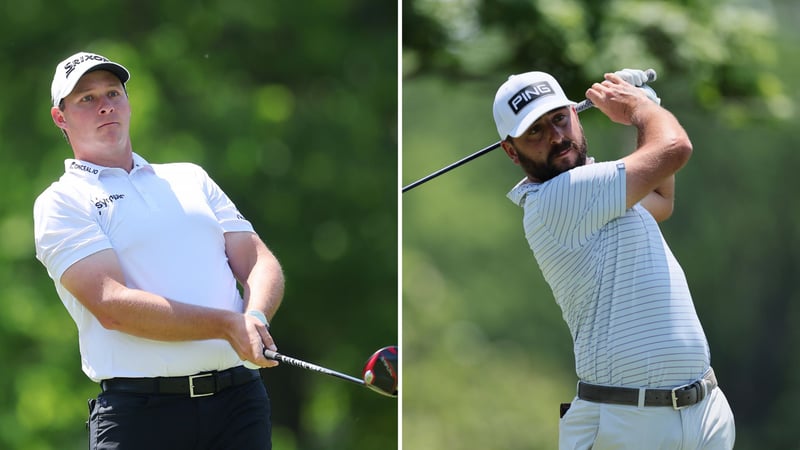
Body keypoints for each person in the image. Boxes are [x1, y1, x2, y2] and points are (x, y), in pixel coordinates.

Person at [34, 51, 284, 449]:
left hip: (240, 404)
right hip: (141, 414)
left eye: (113, 93)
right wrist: (225, 324)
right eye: (86, 99)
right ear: (59, 118)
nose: (105, 106)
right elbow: (113, 306)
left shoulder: (190, 177)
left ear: (128, 102)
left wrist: (253, 316)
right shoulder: (62, 201)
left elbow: (257, 259)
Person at [493, 69, 736, 449]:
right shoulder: (556, 199)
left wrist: (646, 108)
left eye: (559, 118)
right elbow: (675, 150)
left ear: (576, 113)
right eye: (535, 132)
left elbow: (660, 199)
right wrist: (638, 108)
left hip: (702, 413)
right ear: (511, 151)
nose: (556, 138)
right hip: (627, 424)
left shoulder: (598, 188)